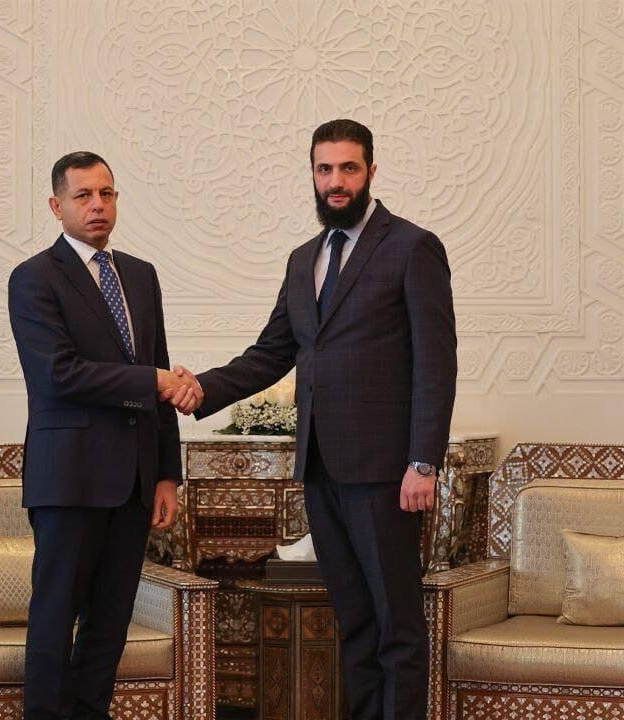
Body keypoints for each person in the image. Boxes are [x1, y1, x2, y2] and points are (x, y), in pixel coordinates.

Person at [169, 119, 458, 720]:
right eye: (325, 169)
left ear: (371, 171)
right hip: (322, 469)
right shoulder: (304, 259)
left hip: (387, 474)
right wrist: (202, 390)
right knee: (354, 620)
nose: (336, 181)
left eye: (348, 168)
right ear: (313, 173)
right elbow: (271, 353)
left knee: (397, 626)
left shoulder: (412, 247)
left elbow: (436, 363)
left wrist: (423, 462)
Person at [8, 151, 197, 720]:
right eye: (84, 195)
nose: (97, 205)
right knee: (54, 619)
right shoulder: (34, 278)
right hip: (69, 480)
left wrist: (166, 474)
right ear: (56, 205)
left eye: (107, 194)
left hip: (135, 483)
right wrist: (152, 379)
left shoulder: (140, 275)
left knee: (110, 623)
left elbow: (158, 377)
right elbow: (58, 374)